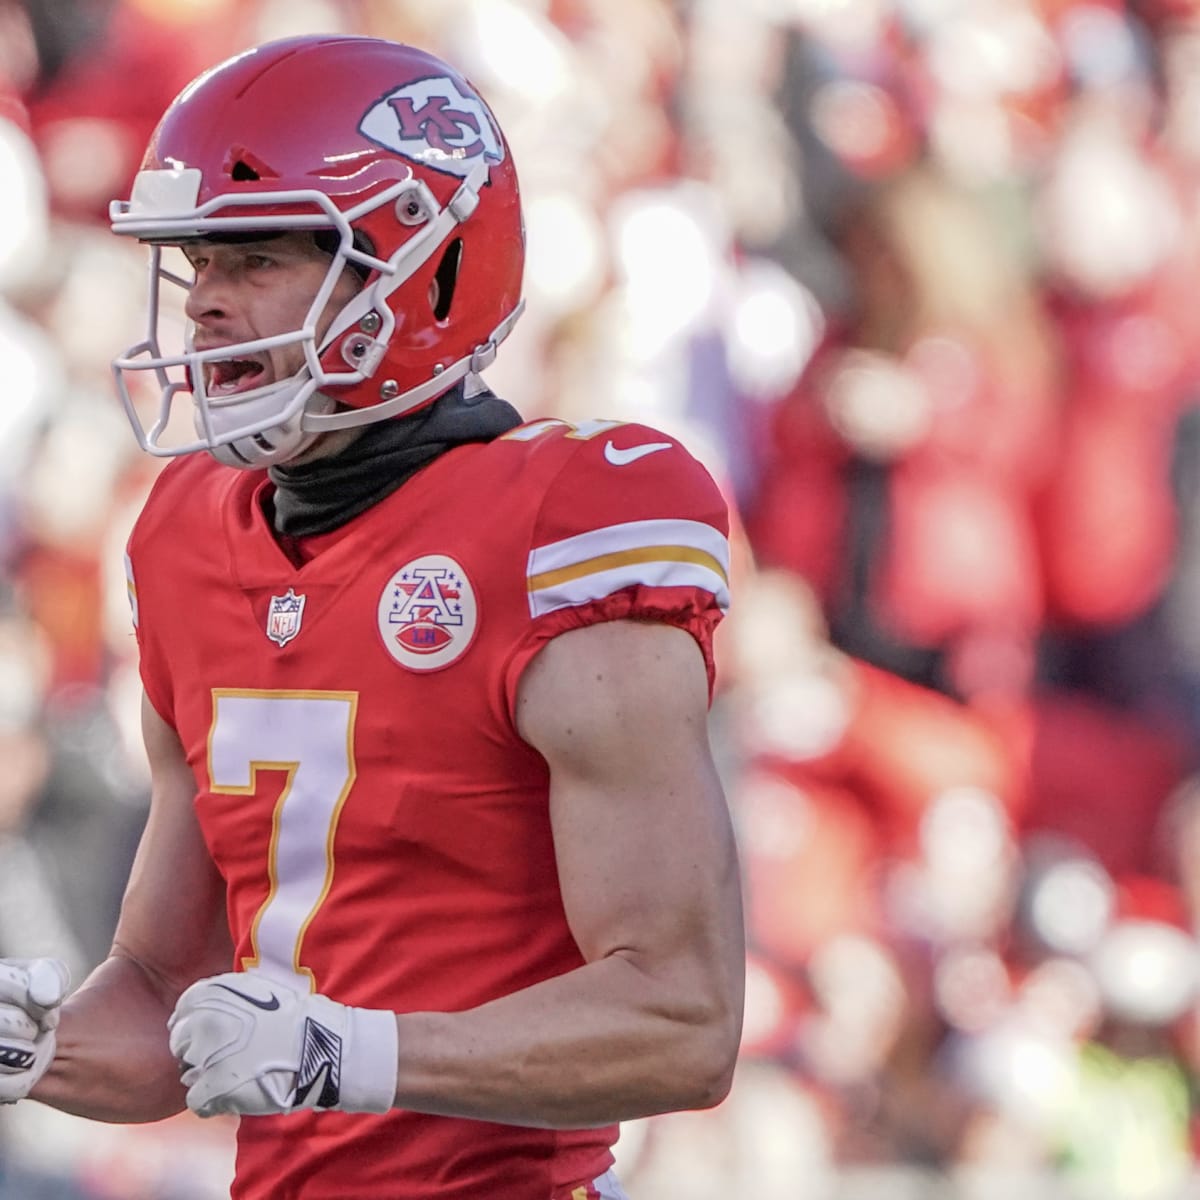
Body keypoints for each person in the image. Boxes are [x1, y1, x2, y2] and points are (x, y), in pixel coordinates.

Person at [0, 33, 745, 1200]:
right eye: (196, 267)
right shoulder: (186, 532)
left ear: (423, 269)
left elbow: (680, 1017)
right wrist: (30, 1046)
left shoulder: (567, 521)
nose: (204, 309)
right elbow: (164, 1007)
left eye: (253, 258)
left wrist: (348, 1052)